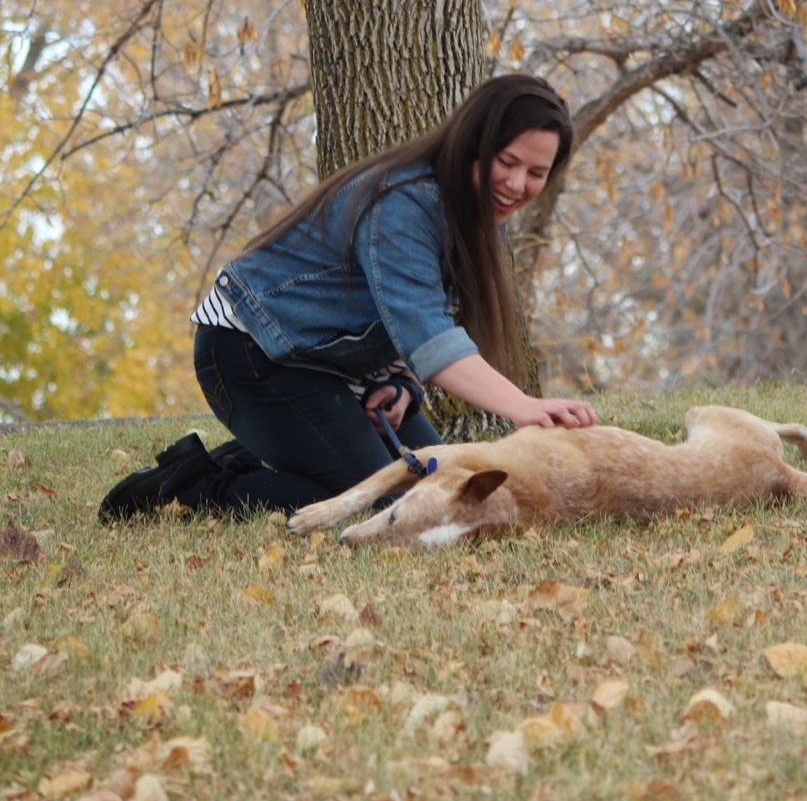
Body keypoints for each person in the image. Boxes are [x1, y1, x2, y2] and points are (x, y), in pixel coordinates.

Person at [99, 74, 597, 521]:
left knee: (444, 492)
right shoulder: (403, 203)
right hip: (250, 354)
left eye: (536, 172)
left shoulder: (483, 218)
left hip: (331, 368)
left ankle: (260, 453)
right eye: (507, 162)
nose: (516, 184)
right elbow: (429, 337)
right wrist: (523, 406)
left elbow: (417, 318)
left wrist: (403, 386)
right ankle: (185, 488)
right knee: (379, 504)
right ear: (472, 144)